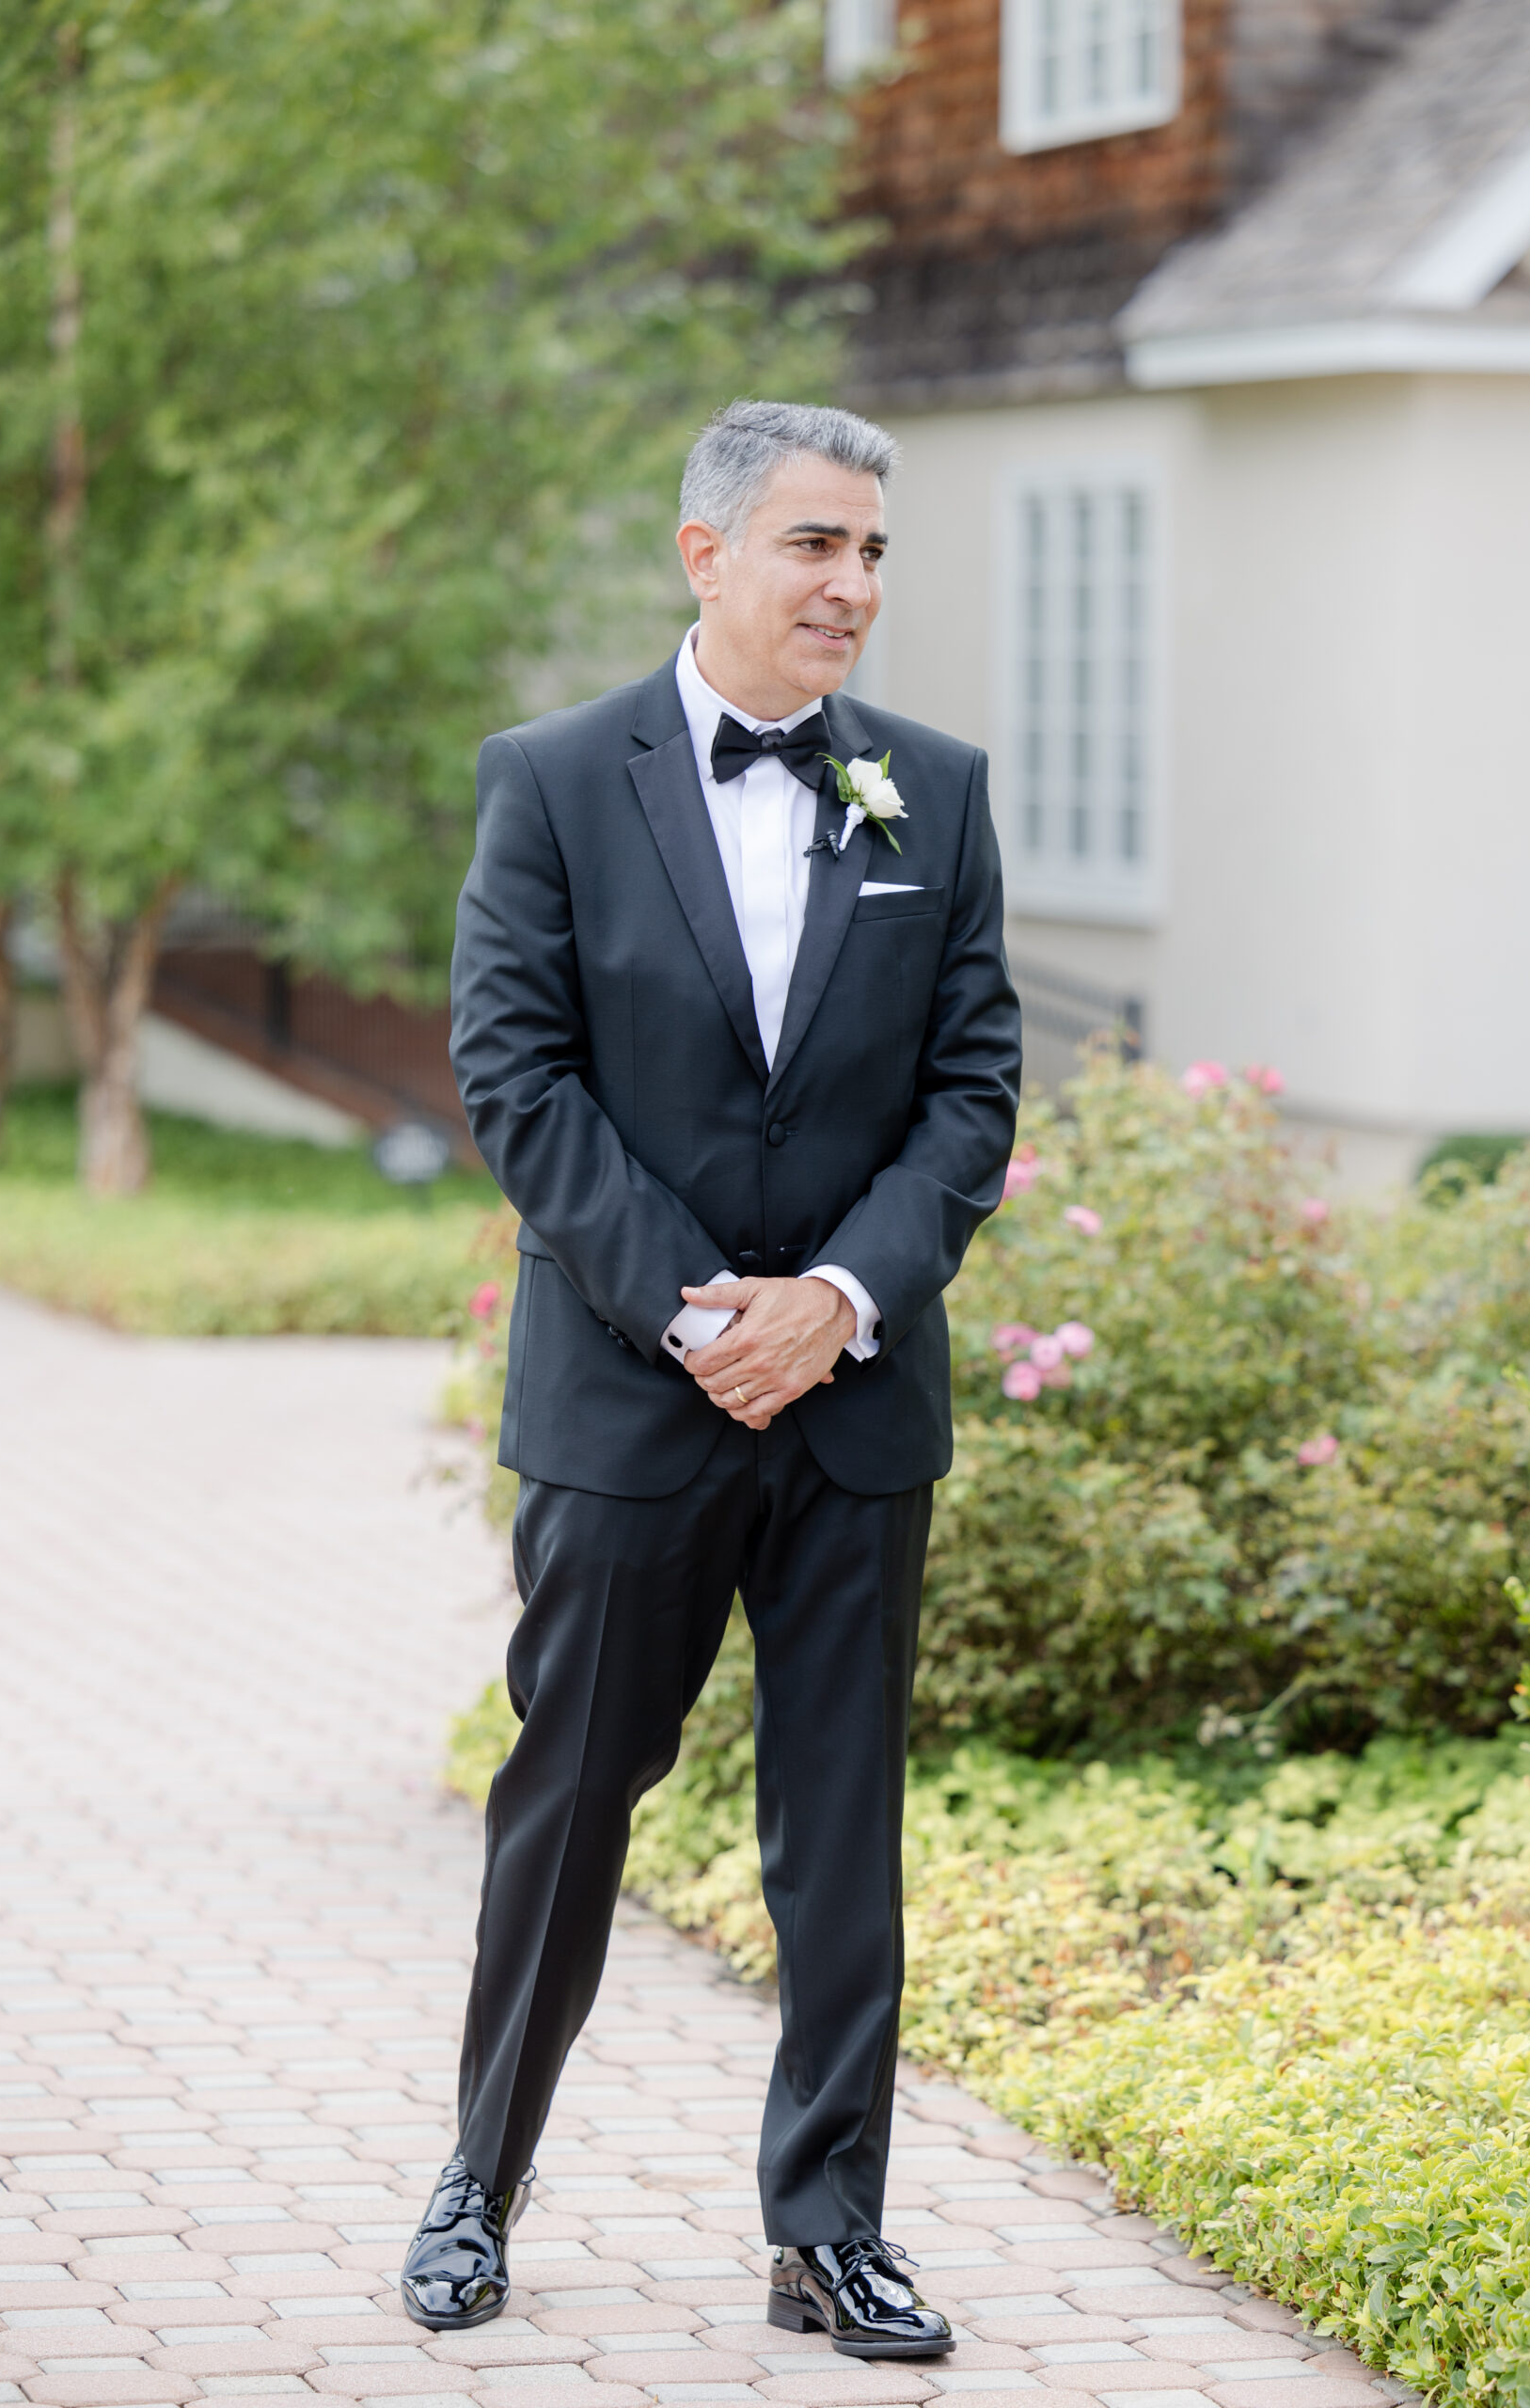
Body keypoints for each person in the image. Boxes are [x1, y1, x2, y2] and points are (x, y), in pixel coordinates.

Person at [401, 399, 1022, 2357]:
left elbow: (974, 1090)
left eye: (872, 552)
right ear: (706, 552)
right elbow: (516, 1076)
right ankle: (477, 2180)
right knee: (569, 1797)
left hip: (855, 1407)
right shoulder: (551, 780)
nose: (852, 585)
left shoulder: (933, 793)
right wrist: (697, 1313)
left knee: (839, 1833)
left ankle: (828, 2231)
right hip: (625, 1401)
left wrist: (832, 1299)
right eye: (816, 544)